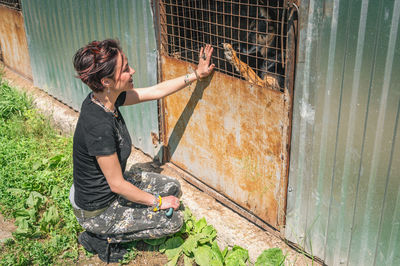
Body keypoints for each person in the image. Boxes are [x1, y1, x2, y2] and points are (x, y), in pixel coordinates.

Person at [69, 39, 215, 263]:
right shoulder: (98, 125)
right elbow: (117, 184)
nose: (132, 70)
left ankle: (126, 210)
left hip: (108, 190)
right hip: (97, 210)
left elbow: (156, 91)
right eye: (125, 69)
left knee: (171, 187)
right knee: (173, 221)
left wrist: (197, 74)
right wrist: (157, 203)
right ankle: (99, 236)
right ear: (106, 81)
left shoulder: (107, 99)